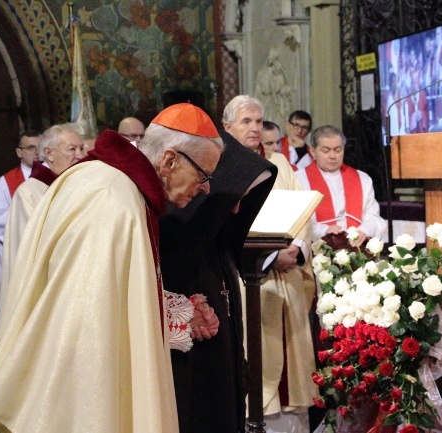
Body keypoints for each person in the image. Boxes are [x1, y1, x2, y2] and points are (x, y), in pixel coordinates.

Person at [0, 102, 223, 432]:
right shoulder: (113, 200)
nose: (205, 188)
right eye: (204, 175)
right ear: (170, 159)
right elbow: (87, 325)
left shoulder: (107, 183)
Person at [160, 131, 277, 433]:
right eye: (235, 198)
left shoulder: (219, 243)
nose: (237, 209)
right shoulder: (178, 239)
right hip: (192, 384)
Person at [223, 95, 318, 430]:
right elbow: (227, 226)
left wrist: (297, 250)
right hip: (250, 279)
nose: (254, 128)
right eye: (246, 122)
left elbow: (304, 214)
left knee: (293, 362)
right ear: (227, 127)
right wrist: (270, 255)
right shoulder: (222, 167)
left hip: (288, 276)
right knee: (257, 356)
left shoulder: (279, 163)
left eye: (259, 122)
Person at [0, 123, 84, 324]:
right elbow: (38, 246)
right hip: (43, 286)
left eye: (81, 148)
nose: (80, 155)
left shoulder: (75, 186)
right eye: (72, 149)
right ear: (49, 153)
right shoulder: (30, 192)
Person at [295, 125, 386, 247]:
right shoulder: (298, 180)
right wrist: (324, 231)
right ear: (312, 151)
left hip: (357, 249)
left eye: (338, 150)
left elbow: (373, 216)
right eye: (326, 150)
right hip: (316, 251)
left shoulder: (361, 178)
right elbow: (297, 221)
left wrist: (364, 231)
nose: (333, 156)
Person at [0, 130, 41, 254]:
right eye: (31, 148)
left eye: (40, 147)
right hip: (21, 249)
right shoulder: (6, 183)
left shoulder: (54, 176)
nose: (37, 152)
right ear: (19, 152)